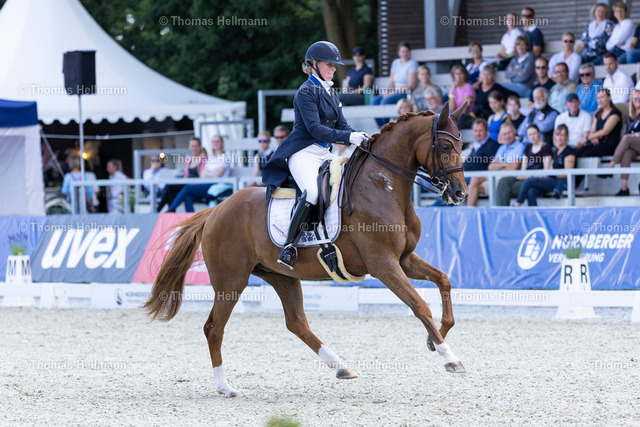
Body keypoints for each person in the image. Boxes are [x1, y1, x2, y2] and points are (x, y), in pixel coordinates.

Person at [261, 41, 367, 270]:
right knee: (313, 192)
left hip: (324, 152)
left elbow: (342, 125)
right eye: (330, 64)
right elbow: (315, 129)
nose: (334, 68)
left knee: (347, 184)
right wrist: (349, 138)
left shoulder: (331, 91)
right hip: (303, 152)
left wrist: (361, 137)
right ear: (314, 64)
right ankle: (289, 246)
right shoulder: (305, 92)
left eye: (335, 65)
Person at [514, 125, 576, 206]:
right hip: (551, 180)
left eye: (562, 135)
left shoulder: (569, 151)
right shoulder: (555, 151)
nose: (559, 138)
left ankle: (517, 204)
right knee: (531, 191)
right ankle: (533, 213)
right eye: (557, 135)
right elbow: (550, 169)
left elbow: (567, 173)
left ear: (567, 136)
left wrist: (551, 172)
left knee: (530, 180)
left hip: (560, 183)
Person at [467, 122, 525, 207]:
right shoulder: (502, 147)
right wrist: (504, 164)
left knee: (471, 189)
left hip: (507, 178)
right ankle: (470, 211)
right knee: (474, 179)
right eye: (505, 134)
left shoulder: (520, 146)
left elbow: (514, 167)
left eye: (509, 133)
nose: (507, 136)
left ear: (515, 132)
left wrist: (499, 165)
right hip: (496, 175)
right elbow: (491, 167)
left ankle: (470, 212)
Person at [168, 135, 231, 212]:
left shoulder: (225, 157)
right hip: (207, 185)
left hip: (217, 186)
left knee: (187, 188)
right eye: (213, 141)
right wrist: (211, 174)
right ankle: (192, 218)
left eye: (217, 141)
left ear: (222, 143)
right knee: (187, 197)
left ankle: (171, 209)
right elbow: (203, 175)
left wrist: (208, 174)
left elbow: (217, 175)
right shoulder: (211, 158)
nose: (215, 143)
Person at [496, 124, 553, 206]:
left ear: (539, 133)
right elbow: (523, 169)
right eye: (530, 134)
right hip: (525, 178)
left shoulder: (546, 148)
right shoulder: (527, 148)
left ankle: (515, 205)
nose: (532, 137)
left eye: (534, 133)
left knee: (509, 187)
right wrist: (523, 176)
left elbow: (546, 173)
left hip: (536, 180)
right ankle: (501, 211)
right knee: (503, 181)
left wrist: (527, 176)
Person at [371, 41, 418, 127]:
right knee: (374, 101)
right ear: (398, 53)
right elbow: (392, 82)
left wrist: (393, 92)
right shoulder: (396, 63)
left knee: (385, 102)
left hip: (405, 93)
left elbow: (411, 85)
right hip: (394, 92)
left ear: (409, 52)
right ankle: (381, 127)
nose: (404, 54)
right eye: (402, 51)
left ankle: (386, 127)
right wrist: (387, 92)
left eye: (406, 51)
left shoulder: (412, 64)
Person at [604, 90, 640, 195]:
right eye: (635, 97)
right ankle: (624, 188)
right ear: (631, 100)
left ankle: (612, 164)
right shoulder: (630, 115)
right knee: (626, 153)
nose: (637, 99)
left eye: (639, 97)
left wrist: (634, 135)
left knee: (626, 138)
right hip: (636, 144)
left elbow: (629, 136)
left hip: (636, 141)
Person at [157, 136, 206, 212]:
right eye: (192, 146)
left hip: (196, 185)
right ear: (189, 147)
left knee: (170, 186)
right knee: (172, 194)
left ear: (200, 146)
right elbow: (186, 175)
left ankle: (159, 210)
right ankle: (171, 213)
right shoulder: (188, 159)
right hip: (186, 183)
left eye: (196, 146)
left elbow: (202, 176)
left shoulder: (204, 158)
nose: (194, 148)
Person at [576, 88, 622, 158]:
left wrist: (587, 138)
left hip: (609, 144)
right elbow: (593, 130)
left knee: (587, 155)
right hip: (597, 142)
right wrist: (593, 138)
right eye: (598, 98)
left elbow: (605, 131)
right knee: (577, 153)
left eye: (602, 97)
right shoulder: (598, 113)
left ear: (609, 98)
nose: (599, 100)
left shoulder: (615, 113)